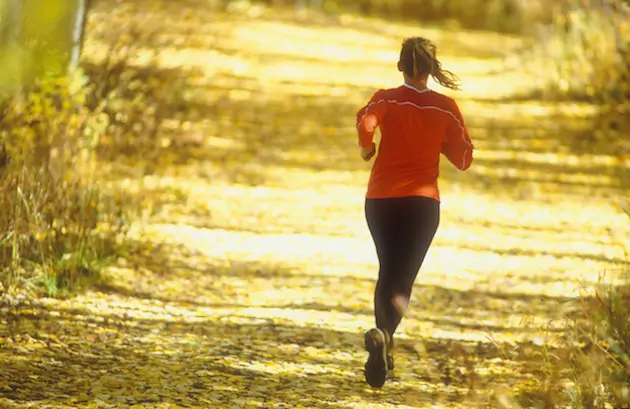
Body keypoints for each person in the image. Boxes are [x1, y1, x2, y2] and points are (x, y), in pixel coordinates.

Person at [356, 37, 474, 388]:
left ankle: (383, 340)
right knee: (402, 278)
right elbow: (464, 159)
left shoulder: (386, 98)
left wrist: (368, 149)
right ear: (432, 69)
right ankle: (384, 337)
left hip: (381, 201)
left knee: (387, 270)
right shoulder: (445, 108)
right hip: (422, 205)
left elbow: (366, 124)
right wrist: (439, 140)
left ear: (400, 67)